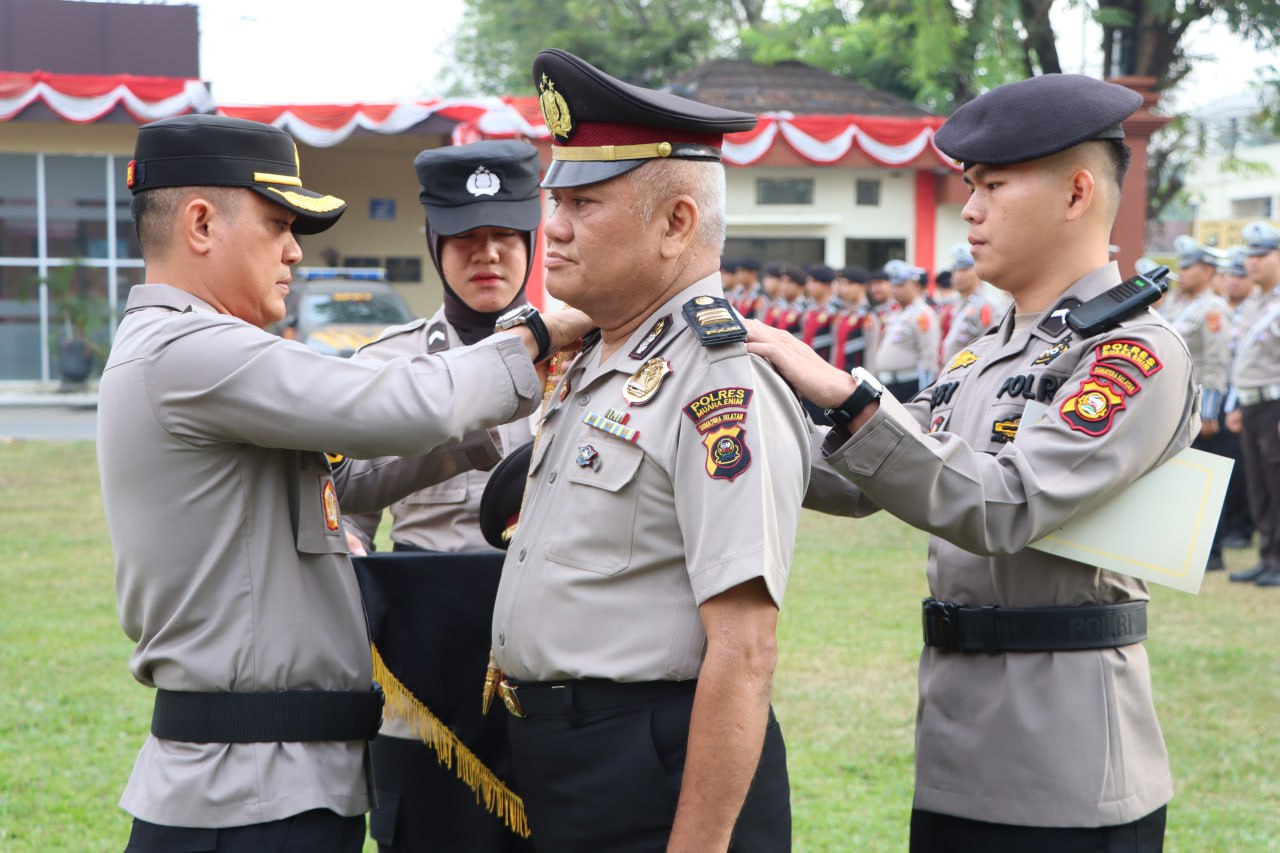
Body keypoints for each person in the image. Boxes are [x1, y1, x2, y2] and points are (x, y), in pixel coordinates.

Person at [98, 113, 590, 852]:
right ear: (201, 223)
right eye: (276, 222)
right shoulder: (192, 350)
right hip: (246, 798)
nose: (294, 249)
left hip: (275, 782)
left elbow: (348, 473)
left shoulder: (193, 354)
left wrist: (478, 440)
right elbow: (395, 404)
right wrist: (543, 335)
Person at [747, 73, 1196, 851]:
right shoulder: (980, 357)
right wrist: (723, 419)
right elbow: (857, 476)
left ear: (1077, 192)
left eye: (994, 185)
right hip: (958, 746)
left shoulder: (1133, 352)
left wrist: (852, 397)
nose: (971, 209)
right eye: (969, 185)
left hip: (1068, 765)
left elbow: (1004, 503)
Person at [484, 47, 809, 852]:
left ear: (676, 224)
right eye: (556, 198)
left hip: (650, 771)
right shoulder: (598, 356)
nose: (551, 226)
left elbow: (743, 649)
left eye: (585, 202)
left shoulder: (718, 382)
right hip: (563, 762)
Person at [340, 140, 544, 852]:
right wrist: (351, 548)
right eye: (464, 237)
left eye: (503, 236)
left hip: (550, 659)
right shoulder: (385, 365)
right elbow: (345, 507)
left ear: (530, 240)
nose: (486, 253)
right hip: (422, 676)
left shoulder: (592, 358)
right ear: (434, 243)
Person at [1162, 235, 1232, 570]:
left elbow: (1217, 361)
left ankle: (1212, 552)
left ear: (1206, 271)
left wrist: (1209, 410)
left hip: (1201, 406)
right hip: (1177, 404)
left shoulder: (1213, 309)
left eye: (1188, 266)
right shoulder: (1179, 306)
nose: (1182, 272)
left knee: (1205, 481)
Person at [1225, 220, 1280, 586]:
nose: (1253, 262)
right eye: (1250, 254)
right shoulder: (1254, 303)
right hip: (1252, 403)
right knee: (1259, 486)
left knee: (1277, 484)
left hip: (1275, 404)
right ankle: (1267, 556)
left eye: (1262, 254)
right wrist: (1236, 403)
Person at [873, 259, 941, 400]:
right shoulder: (896, 313)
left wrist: (924, 393)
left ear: (916, 286)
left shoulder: (922, 314)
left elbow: (928, 355)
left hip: (909, 385)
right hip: (889, 384)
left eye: (901, 285)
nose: (895, 289)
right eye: (893, 284)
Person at [939, 242, 999, 365]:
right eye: (955, 270)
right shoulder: (957, 303)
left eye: (964, 270)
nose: (958, 275)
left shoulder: (984, 305)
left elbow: (991, 348)